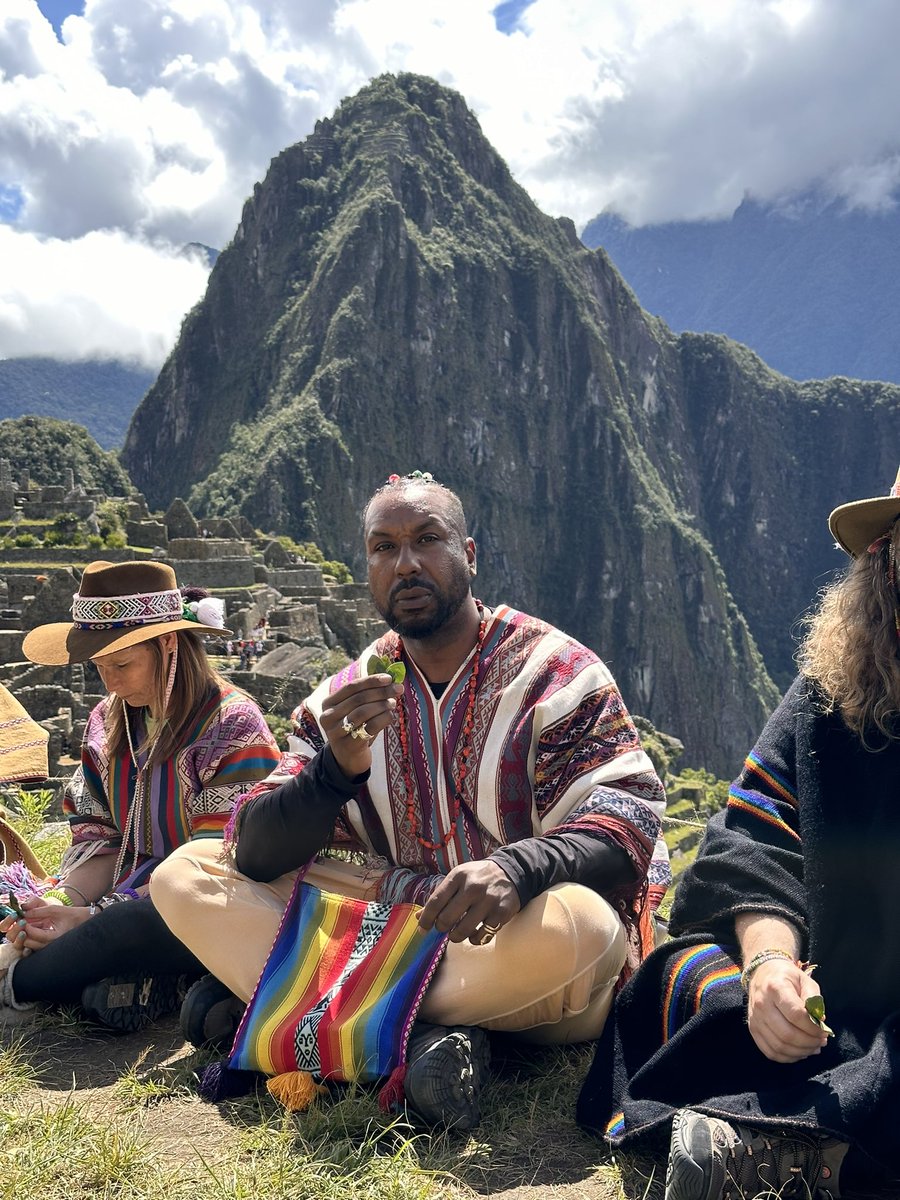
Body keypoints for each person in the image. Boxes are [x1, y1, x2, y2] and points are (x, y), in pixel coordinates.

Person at [151, 471, 669, 1129]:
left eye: (427, 539)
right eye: (383, 547)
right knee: (185, 876)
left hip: (507, 941)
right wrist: (334, 771)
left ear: (469, 555)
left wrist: (517, 869)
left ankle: (302, 1014)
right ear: (366, 566)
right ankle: (423, 1039)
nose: (406, 563)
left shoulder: (557, 675)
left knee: (581, 930)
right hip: (398, 920)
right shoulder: (345, 695)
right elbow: (252, 850)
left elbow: (626, 818)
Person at [577, 467, 900, 1199]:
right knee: (682, 979)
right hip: (824, 998)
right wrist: (769, 970)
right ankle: (809, 1139)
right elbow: (751, 835)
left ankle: (800, 1153)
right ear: (886, 553)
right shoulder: (834, 690)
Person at [0, 560, 280, 1031]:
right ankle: (105, 979)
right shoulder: (106, 724)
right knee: (33, 911)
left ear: (168, 644)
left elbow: (218, 864)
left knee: (121, 929)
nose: (108, 682)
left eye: (122, 664)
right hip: (125, 893)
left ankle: (24, 982)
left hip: (205, 901)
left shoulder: (232, 727)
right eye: (99, 666)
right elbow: (100, 839)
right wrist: (59, 906)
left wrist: (91, 918)